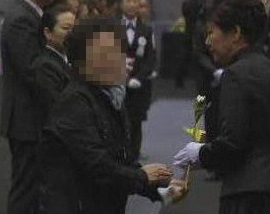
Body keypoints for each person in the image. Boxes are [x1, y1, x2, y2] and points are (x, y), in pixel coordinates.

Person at [173, 0, 270, 214]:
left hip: (251, 196)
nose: (208, 41)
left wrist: (198, 153)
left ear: (236, 33)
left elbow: (232, 143)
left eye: (212, 32)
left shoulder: (235, 75)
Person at [37, 18, 187, 213]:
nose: (122, 60)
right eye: (110, 54)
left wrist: (160, 188)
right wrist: (143, 176)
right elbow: (98, 166)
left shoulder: (108, 97)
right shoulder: (73, 104)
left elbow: (122, 159)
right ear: (86, 62)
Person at [0, 0, 58, 214]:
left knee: (34, 187)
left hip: (33, 117)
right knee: (25, 187)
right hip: (26, 119)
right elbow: (32, 71)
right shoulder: (21, 19)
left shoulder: (33, 15)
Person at [121, 0, 156, 160]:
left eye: (134, 1)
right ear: (122, 5)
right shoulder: (113, 27)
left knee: (136, 120)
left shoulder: (146, 30)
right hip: (117, 82)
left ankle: (135, 154)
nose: (131, 4)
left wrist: (138, 78)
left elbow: (150, 59)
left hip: (139, 84)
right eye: (128, 1)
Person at [31, 4, 75, 130]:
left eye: (74, 29)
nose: (72, 34)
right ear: (48, 33)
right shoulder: (45, 66)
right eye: (66, 28)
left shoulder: (71, 59)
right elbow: (57, 107)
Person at [175, 0, 203, 88]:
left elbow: (184, 14)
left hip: (188, 31)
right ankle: (200, 80)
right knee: (200, 57)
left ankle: (179, 80)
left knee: (185, 56)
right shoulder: (201, 3)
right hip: (198, 33)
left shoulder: (186, 2)